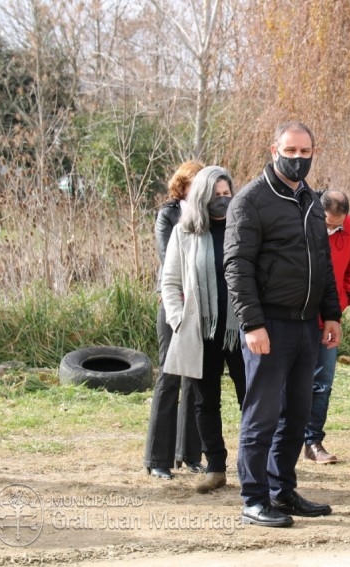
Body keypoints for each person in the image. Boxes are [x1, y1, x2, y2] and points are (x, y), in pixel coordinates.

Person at [224, 121, 341, 529]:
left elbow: (323, 263)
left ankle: (282, 489)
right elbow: (236, 267)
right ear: (274, 149)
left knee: (297, 414)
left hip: (308, 326)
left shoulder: (312, 199)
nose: (297, 159)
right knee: (262, 415)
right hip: (268, 325)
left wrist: (333, 314)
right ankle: (254, 498)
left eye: (304, 152)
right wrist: (252, 324)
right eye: (290, 151)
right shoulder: (250, 201)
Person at [160, 165, 247, 494]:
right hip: (201, 330)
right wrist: (179, 320)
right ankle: (215, 467)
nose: (223, 200)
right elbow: (169, 282)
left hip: (241, 329)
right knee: (204, 401)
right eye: (216, 195)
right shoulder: (185, 231)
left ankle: (254, 464)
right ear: (202, 197)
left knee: (251, 398)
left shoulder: (243, 228)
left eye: (228, 194)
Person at [144, 160, 205, 480]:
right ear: (183, 185)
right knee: (169, 378)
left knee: (196, 378)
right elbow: (169, 257)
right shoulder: (168, 214)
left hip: (201, 306)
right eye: (196, 183)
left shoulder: (211, 216)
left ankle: (190, 454)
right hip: (172, 304)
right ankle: (158, 459)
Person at [303, 189, 350, 464]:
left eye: (338, 224)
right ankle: (284, 439)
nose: (334, 228)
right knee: (290, 382)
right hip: (298, 317)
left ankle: (313, 441)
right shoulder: (304, 221)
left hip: (330, 318)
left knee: (323, 382)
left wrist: (345, 298)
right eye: (330, 223)